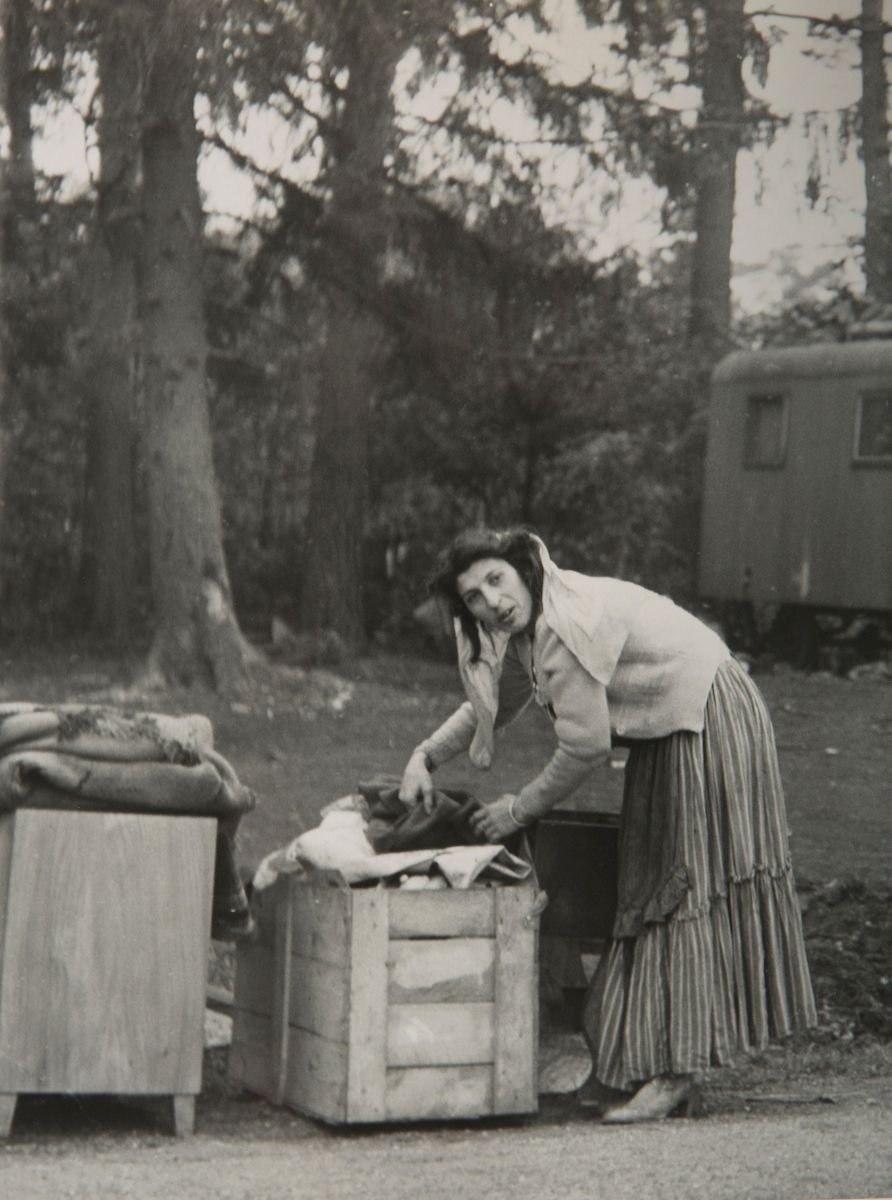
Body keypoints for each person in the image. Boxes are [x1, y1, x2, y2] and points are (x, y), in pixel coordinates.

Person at [399, 526, 816, 1123]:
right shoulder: (530, 630)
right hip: (671, 724)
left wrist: (518, 809)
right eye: (473, 597)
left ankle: (676, 1072)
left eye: (495, 580)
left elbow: (585, 748)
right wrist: (425, 755)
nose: (490, 601)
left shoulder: (563, 625)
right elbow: (493, 704)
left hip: (707, 714)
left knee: (680, 887)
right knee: (649, 886)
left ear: (522, 569)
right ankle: (636, 1066)